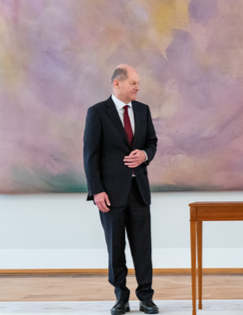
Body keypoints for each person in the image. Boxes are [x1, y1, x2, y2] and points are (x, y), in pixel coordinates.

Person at [83, 64, 159, 315]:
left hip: (139, 191)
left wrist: (145, 155)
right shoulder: (97, 112)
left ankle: (146, 297)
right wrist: (97, 191)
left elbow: (151, 142)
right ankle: (121, 297)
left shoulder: (143, 110)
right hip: (110, 195)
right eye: (133, 83)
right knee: (115, 249)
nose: (137, 87)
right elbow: (90, 155)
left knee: (142, 248)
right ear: (117, 83)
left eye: (138, 83)